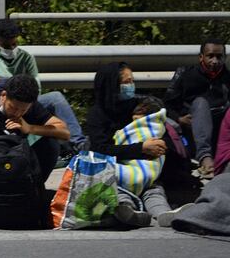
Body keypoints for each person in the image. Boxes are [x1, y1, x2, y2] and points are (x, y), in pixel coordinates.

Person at [84, 62, 178, 227]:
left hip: (146, 170)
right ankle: (128, 212)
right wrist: (141, 148)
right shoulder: (97, 115)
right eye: (126, 82)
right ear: (112, 85)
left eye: (132, 81)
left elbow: (163, 131)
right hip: (119, 171)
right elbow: (101, 149)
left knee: (153, 190)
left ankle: (163, 214)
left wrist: (160, 144)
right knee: (120, 192)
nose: (131, 86)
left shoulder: (140, 107)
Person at [0, 19, 88, 151]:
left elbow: (35, 88)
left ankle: (79, 143)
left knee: (56, 97)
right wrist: (18, 83)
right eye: (7, 45)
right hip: (2, 103)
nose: (11, 48)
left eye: (14, 44)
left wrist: (2, 82)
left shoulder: (26, 57)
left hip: (26, 101)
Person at [164, 38, 230, 179]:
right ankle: (205, 158)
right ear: (201, 57)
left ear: (225, 58)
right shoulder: (186, 74)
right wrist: (179, 119)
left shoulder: (227, 78)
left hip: (219, 130)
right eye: (210, 56)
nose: (215, 61)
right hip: (193, 130)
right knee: (201, 103)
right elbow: (166, 105)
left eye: (219, 57)